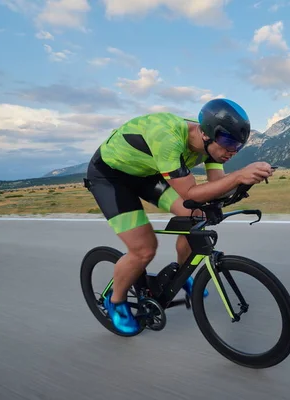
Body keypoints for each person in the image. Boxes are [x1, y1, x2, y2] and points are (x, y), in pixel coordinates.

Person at [84, 98, 273, 334]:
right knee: (144, 249)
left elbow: (217, 186)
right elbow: (191, 193)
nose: (231, 151)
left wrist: (247, 181)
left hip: (145, 174)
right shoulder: (168, 136)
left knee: (195, 215)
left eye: (238, 146)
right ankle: (117, 301)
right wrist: (238, 176)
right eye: (228, 142)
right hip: (110, 177)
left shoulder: (215, 147)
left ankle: (181, 275)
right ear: (206, 134)